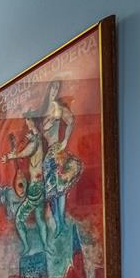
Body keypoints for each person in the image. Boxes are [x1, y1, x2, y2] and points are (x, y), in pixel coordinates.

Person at [38, 80, 83, 231]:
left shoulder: (58, 108)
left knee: (60, 189)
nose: (55, 90)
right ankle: (58, 224)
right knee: (52, 192)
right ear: (49, 89)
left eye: (57, 88)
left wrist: (65, 140)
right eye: (53, 87)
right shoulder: (44, 111)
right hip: (48, 154)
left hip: (56, 150)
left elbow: (71, 121)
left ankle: (61, 223)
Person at [2, 113, 49, 254]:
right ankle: (46, 246)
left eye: (28, 120)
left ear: (32, 121)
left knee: (19, 219)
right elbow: (30, 146)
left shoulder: (36, 140)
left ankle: (27, 247)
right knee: (40, 218)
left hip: (35, 187)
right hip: (40, 184)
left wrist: (12, 156)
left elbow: (28, 151)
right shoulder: (36, 137)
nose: (26, 123)